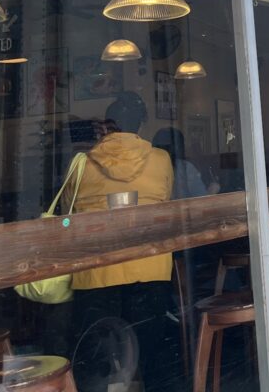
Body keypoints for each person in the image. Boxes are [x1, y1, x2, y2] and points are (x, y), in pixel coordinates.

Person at [68, 92, 176, 391]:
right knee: (150, 353)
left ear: (108, 125)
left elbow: (69, 210)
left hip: (96, 272)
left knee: (100, 359)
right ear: (141, 123)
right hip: (150, 267)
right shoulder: (161, 159)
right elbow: (166, 200)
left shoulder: (80, 163)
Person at [153, 126, 218, 198]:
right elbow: (201, 199)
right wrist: (212, 191)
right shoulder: (185, 168)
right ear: (179, 147)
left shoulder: (148, 167)